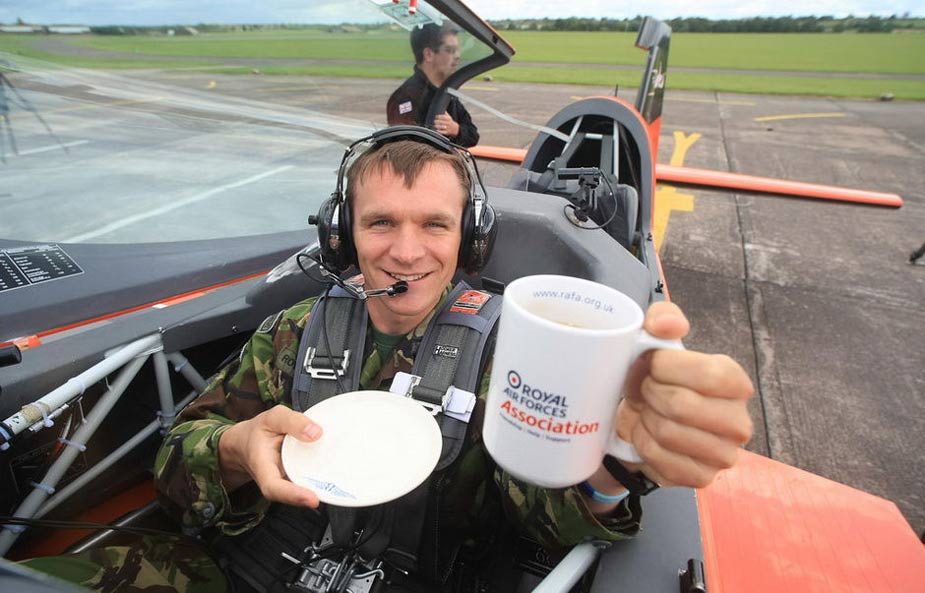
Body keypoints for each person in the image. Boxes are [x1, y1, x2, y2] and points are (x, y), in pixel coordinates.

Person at [20, 126, 753, 592]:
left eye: (434, 224)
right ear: (344, 235)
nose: (406, 251)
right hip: (245, 569)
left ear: (470, 238)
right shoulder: (294, 330)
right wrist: (236, 450)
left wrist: (613, 461)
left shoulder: (513, 353)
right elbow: (174, 465)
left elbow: (544, 521)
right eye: (380, 223)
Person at [386, 23, 479, 147]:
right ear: (428, 54)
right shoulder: (405, 98)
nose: (457, 56)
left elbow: (473, 136)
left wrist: (456, 129)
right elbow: (404, 150)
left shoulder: (445, 92)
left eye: (457, 50)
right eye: (450, 50)